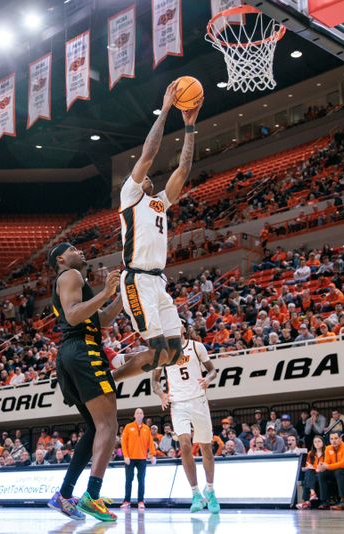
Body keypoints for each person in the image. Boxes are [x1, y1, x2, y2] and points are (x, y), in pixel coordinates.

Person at [112, 82, 203, 382]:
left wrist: (190, 127)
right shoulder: (130, 195)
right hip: (137, 279)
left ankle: (121, 359)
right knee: (157, 350)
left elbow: (184, 169)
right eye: (142, 174)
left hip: (157, 281)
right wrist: (165, 110)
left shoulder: (159, 202)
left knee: (174, 353)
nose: (148, 174)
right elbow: (148, 155)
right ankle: (110, 381)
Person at [45, 243, 123, 522]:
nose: (81, 251)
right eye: (74, 248)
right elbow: (73, 315)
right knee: (108, 424)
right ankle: (92, 495)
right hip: (82, 351)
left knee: (94, 427)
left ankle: (64, 494)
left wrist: (120, 298)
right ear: (62, 259)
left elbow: (100, 318)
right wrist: (105, 292)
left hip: (73, 353)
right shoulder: (70, 276)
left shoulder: (75, 281)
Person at [153, 326, 220, 513]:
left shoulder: (197, 347)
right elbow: (155, 382)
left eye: (178, 323)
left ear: (183, 328)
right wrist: (161, 394)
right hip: (178, 404)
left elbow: (213, 371)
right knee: (184, 445)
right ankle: (195, 493)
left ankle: (210, 490)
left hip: (198, 401)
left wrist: (208, 379)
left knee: (206, 447)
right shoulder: (164, 354)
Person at [120, 408, 156, 511]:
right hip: (130, 459)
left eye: (141, 413)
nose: (139, 414)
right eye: (137, 413)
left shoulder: (146, 428)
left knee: (141, 480)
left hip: (142, 459)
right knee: (128, 480)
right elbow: (123, 442)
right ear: (134, 415)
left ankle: (141, 501)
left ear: (143, 415)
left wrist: (152, 455)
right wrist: (125, 456)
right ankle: (127, 501)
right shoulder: (128, 427)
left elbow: (150, 442)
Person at [317, 432, 344, 510]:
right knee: (321, 474)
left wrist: (327, 466)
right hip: (334, 470)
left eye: (336, 438)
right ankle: (325, 501)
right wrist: (322, 467)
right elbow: (326, 462)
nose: (333, 441)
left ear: (341, 438)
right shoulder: (328, 448)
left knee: (339, 471)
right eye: (331, 439)